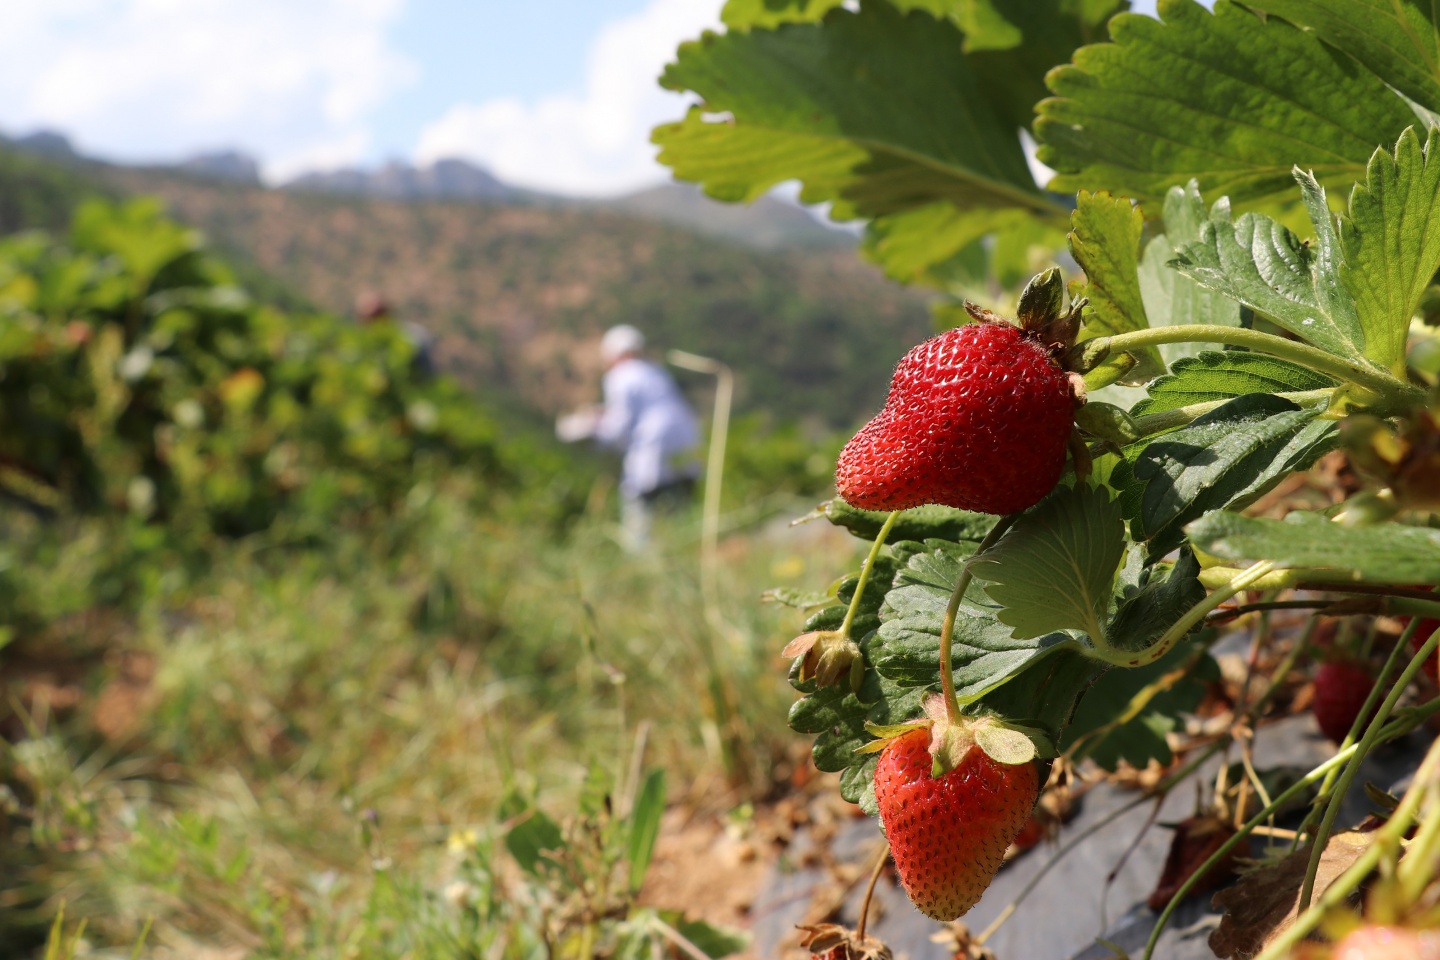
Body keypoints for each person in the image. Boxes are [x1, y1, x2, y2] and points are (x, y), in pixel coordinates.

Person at [556, 325, 701, 550]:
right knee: (679, 516)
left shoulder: (619, 377)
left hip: (651, 456)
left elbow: (619, 426)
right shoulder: (655, 372)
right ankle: (684, 552)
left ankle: (639, 556)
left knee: (638, 514)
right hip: (687, 452)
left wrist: (590, 432)